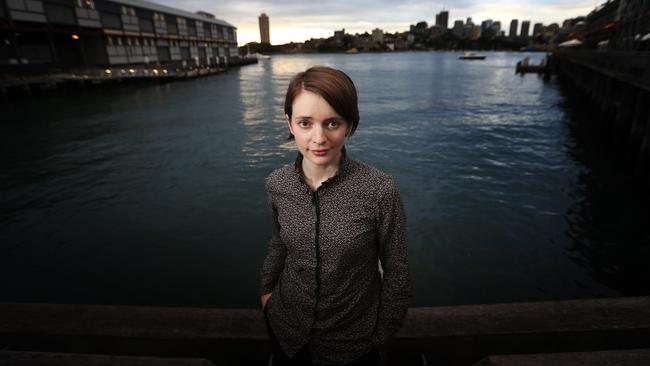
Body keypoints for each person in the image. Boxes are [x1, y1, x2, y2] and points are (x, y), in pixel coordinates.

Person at [260, 66, 411, 366]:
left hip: (352, 344)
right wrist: (266, 293)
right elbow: (279, 243)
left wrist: (380, 337)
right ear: (289, 123)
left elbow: (397, 271)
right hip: (286, 330)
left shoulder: (379, 189)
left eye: (332, 123)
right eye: (305, 123)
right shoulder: (277, 184)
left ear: (350, 124)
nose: (319, 138)